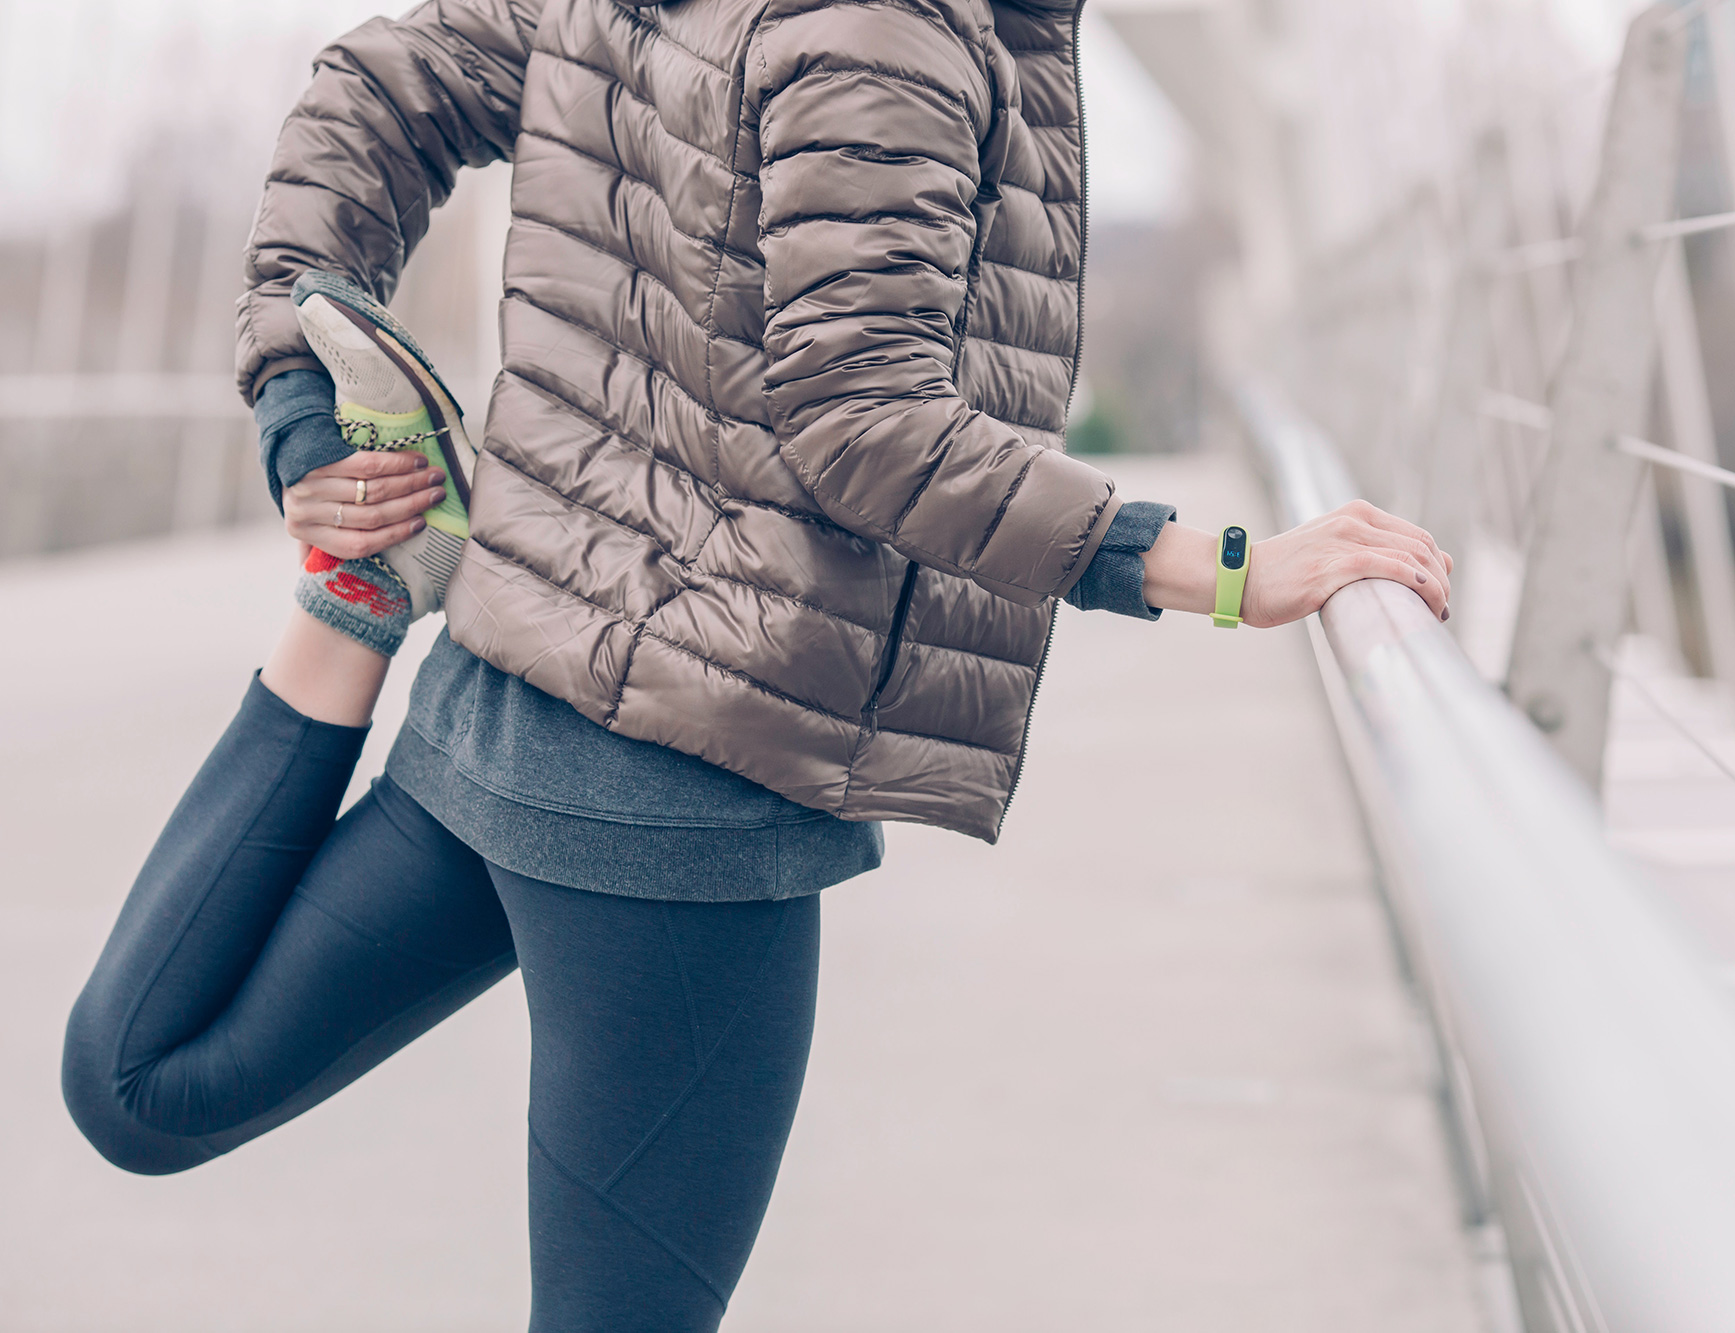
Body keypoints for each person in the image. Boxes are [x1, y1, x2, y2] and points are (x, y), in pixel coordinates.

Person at [61, 0, 1453, 1327]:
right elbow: (864, 427)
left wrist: (299, 395)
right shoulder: (887, 29)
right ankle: (379, 577)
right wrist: (1221, 570)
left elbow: (379, 86)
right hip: (683, 794)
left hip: (494, 710)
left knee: (145, 1079)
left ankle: (365, 596)